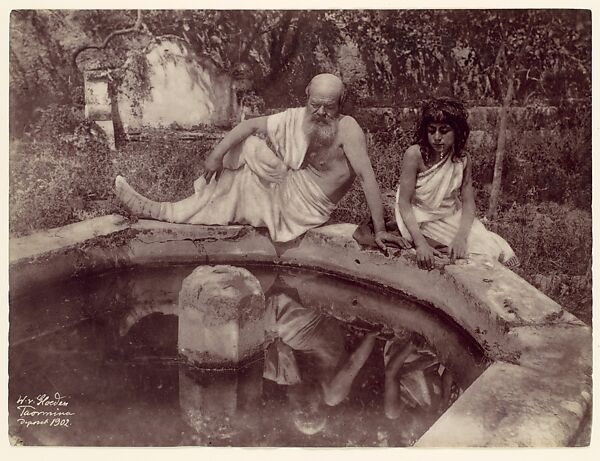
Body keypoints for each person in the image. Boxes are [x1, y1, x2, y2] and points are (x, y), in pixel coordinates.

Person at [115, 73, 405, 251]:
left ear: (340, 104)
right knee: (245, 151)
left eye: (328, 106)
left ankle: (165, 211)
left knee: (241, 175)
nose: (319, 112)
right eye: (313, 103)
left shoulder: (348, 128)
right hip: (289, 188)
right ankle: (180, 208)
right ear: (306, 97)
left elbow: (367, 177)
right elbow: (248, 126)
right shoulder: (299, 118)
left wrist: (379, 229)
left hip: (306, 209)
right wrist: (215, 156)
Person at [395, 97, 519, 270]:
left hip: (450, 213)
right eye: (432, 131)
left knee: (490, 245)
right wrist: (421, 243)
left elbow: (468, 202)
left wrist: (460, 236)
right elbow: (404, 202)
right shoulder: (414, 155)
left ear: (457, 131)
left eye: (444, 131)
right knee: (475, 254)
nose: (437, 137)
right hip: (421, 216)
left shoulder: (462, 159)